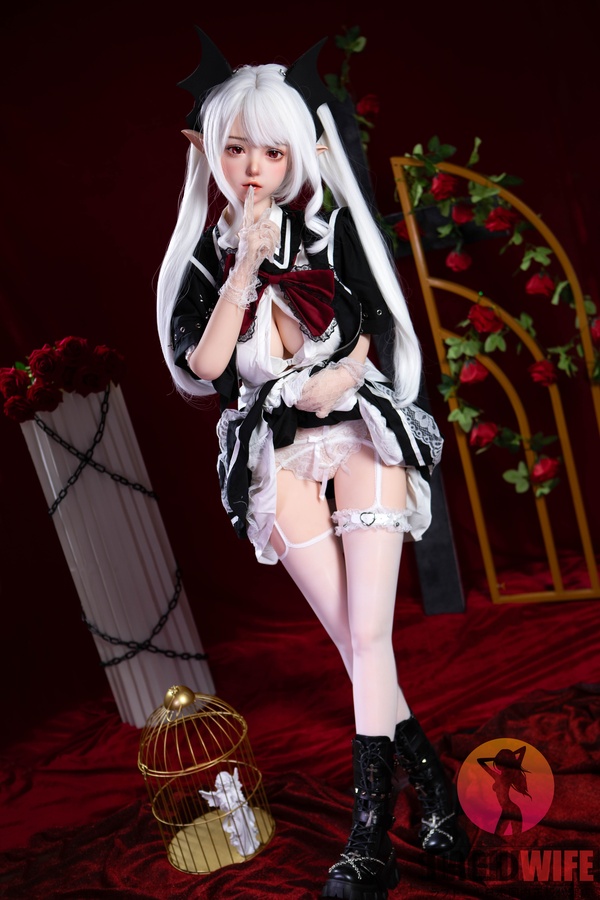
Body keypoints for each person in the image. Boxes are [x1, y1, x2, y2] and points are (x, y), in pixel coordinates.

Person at [157, 29, 469, 899]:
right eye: (235, 149)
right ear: (209, 153)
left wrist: (340, 373)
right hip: (276, 447)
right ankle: (431, 781)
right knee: (349, 636)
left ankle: (369, 836)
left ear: (297, 153)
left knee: (367, 635)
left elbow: (370, 323)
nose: (253, 167)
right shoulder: (205, 255)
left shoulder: (329, 230)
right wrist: (245, 267)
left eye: (271, 151)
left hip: (360, 429)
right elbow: (206, 365)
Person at [478, 747, 531, 837]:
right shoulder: (496, 776)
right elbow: (480, 761)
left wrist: (508, 758)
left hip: (510, 809)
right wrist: (496, 758)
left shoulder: (509, 775)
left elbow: (523, 749)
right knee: (497, 836)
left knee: (514, 836)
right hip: (506, 810)